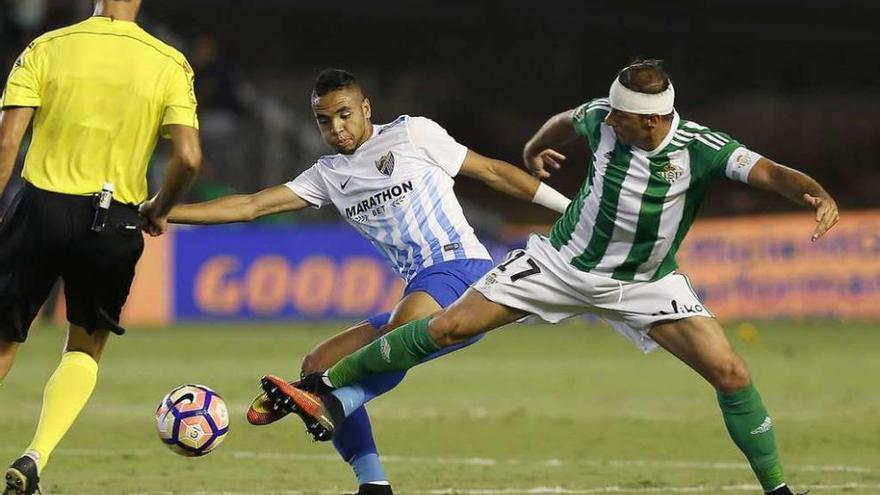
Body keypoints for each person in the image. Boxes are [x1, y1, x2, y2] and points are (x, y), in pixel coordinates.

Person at [264, 60, 839, 495]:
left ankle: (778, 489)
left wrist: (811, 190)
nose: (607, 118)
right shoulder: (603, 119)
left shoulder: (700, 148)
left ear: (654, 118)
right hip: (560, 264)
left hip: (644, 282)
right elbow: (568, 119)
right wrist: (537, 148)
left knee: (732, 372)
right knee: (447, 327)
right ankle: (331, 395)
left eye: (621, 114)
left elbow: (765, 170)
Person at [167, 68, 569, 495]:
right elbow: (249, 205)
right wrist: (160, 211)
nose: (336, 128)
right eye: (324, 121)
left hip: (463, 271)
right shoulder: (328, 175)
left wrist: (569, 209)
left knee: (397, 332)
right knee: (319, 362)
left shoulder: (414, 134)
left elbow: (490, 171)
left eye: (344, 115)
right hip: (422, 288)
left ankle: (332, 402)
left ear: (365, 108)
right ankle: (372, 483)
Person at [0, 1, 203, 493]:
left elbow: (8, 143)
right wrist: (159, 207)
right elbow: (190, 157)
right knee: (85, 346)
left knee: (3, 339)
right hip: (114, 220)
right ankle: (35, 455)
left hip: (40, 207)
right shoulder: (169, 62)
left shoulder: (46, 47)